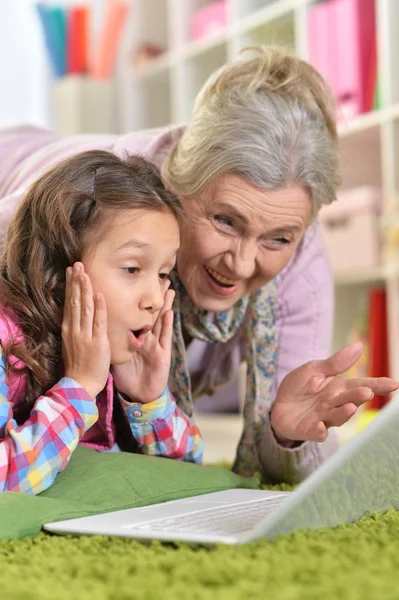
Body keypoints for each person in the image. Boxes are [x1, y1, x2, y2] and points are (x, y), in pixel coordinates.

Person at [0, 46, 396, 484]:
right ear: (178, 186)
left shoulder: (300, 267)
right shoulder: (79, 207)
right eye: (226, 221)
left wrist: (287, 434)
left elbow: (272, 468)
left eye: (278, 238)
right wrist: (75, 389)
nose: (242, 265)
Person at [0, 150, 203, 494]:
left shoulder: (100, 348)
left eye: (164, 273)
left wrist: (148, 399)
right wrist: (77, 389)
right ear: (58, 269)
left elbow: (187, 473)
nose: (154, 298)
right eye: (132, 269)